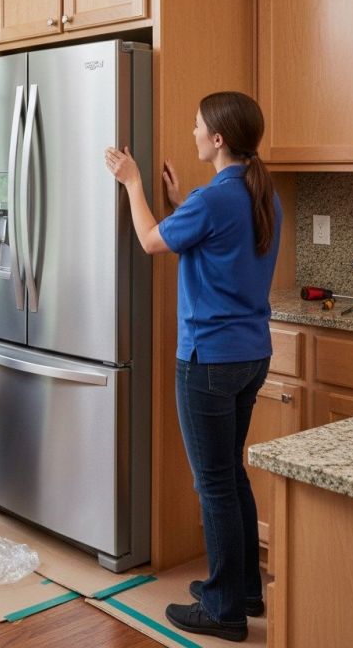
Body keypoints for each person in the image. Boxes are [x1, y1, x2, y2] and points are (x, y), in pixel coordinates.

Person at [105, 91, 281, 643]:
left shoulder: (216, 197)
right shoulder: (257, 192)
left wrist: (133, 182)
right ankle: (246, 589)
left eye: (199, 125)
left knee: (214, 485)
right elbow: (211, 245)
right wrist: (182, 201)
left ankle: (224, 609)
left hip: (208, 359)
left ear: (219, 138)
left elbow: (151, 241)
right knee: (230, 473)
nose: (194, 130)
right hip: (251, 354)